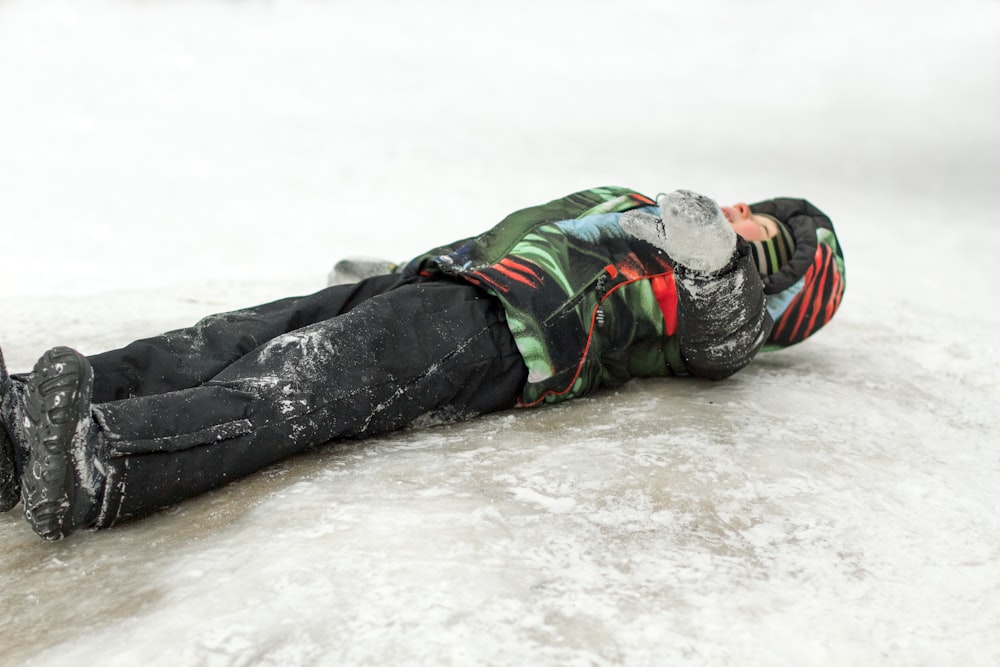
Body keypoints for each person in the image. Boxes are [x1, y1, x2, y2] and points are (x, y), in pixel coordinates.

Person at [0, 187, 845, 541]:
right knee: (218, 339)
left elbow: (721, 343)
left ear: (780, 283)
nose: (734, 213)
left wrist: (715, 265)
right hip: (441, 280)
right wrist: (393, 266)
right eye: (745, 208)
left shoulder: (708, 284)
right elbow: (530, 236)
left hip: (510, 333)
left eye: (758, 229)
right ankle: (21, 420)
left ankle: (100, 464)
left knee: (298, 381)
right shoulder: (642, 208)